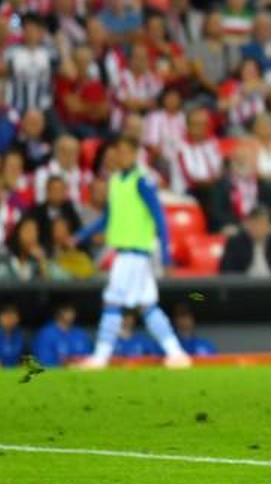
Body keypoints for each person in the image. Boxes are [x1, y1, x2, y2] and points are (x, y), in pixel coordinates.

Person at [74, 135, 192, 369]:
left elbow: (160, 218)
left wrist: (167, 255)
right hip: (126, 253)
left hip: (135, 254)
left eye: (127, 152)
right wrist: (80, 236)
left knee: (112, 301)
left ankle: (100, 357)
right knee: (148, 305)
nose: (121, 156)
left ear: (135, 154)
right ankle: (176, 354)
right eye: (118, 152)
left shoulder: (142, 182)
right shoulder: (116, 181)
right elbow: (108, 218)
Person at [218, 205, 271, 276]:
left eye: (262, 224)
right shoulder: (235, 243)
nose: (258, 228)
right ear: (248, 224)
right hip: (243, 286)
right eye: (254, 224)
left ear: (269, 226)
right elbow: (226, 272)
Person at [31, 300, 93, 367]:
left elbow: (90, 358)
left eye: (71, 311)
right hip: (56, 374)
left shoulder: (80, 333)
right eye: (66, 310)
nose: (70, 314)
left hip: (80, 372)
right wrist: (67, 363)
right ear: (58, 312)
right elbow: (44, 361)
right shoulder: (46, 334)